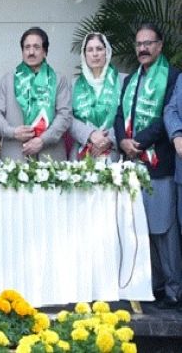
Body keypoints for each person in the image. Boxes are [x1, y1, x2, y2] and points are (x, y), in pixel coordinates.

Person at [116, 23, 181, 308]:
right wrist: (122, 140)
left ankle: (174, 289)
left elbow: (167, 117)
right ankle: (153, 286)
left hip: (159, 164)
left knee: (164, 229)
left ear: (160, 45)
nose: (142, 48)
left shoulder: (173, 77)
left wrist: (138, 142)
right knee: (142, 229)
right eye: (139, 44)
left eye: (148, 43)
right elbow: (120, 115)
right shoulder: (131, 80)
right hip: (132, 165)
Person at [0, 27, 71, 161]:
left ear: (45, 52)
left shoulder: (58, 80)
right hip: (15, 157)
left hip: (50, 156)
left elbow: (65, 115)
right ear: (22, 51)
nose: (31, 52)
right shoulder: (9, 79)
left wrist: (43, 140)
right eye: (27, 47)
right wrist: (13, 132)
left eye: (36, 47)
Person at [69, 33, 122, 161]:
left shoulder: (122, 80)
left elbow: (127, 116)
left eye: (99, 49)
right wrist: (90, 135)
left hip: (114, 154)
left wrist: (109, 139)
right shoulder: (74, 84)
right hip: (82, 151)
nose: (95, 54)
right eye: (90, 50)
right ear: (84, 54)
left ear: (106, 52)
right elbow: (68, 118)